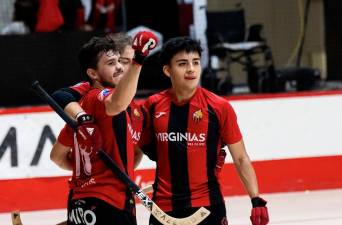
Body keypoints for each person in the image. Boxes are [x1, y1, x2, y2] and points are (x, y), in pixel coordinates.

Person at [138, 36, 269, 225]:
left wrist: (256, 200)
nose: (191, 69)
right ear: (168, 70)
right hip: (163, 208)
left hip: (208, 207)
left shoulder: (219, 107)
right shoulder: (152, 106)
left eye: (196, 62)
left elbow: (241, 158)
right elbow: (137, 150)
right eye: (182, 63)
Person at [50, 31, 157, 225]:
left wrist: (93, 170)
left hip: (79, 201)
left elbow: (56, 156)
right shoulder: (98, 97)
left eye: (121, 61)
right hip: (110, 201)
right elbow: (115, 104)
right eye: (112, 63)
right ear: (92, 74)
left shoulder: (83, 108)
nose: (119, 68)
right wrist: (139, 60)